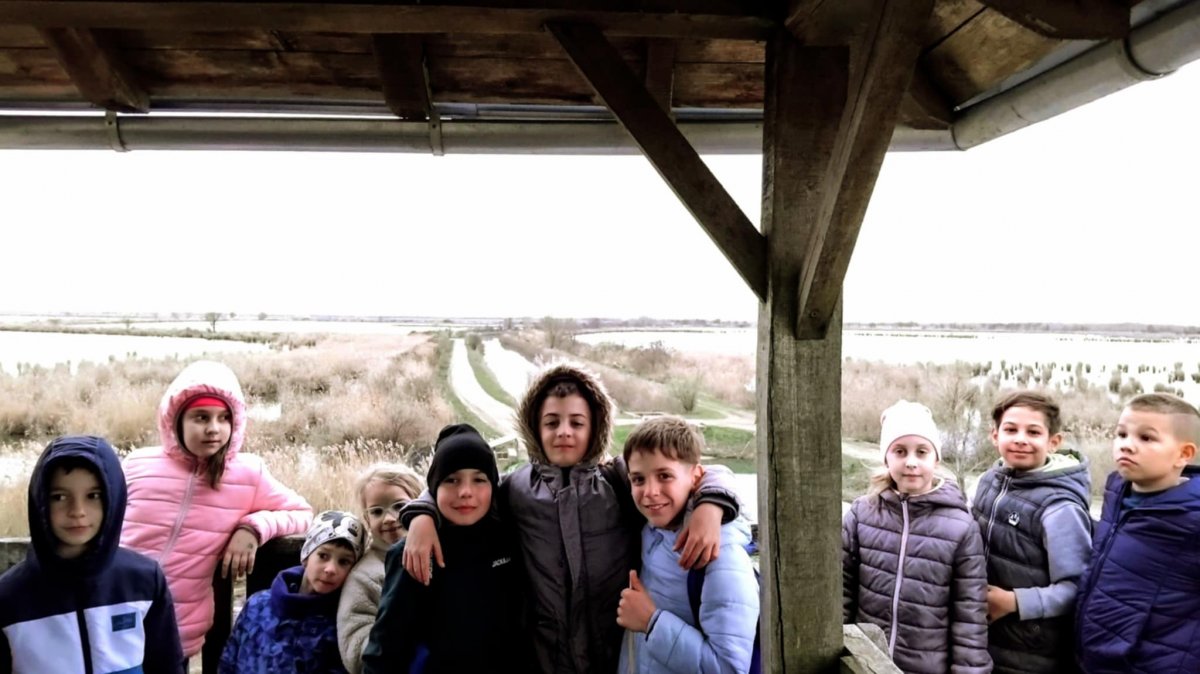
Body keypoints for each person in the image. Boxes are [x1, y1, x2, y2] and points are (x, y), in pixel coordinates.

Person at [400, 362, 742, 673]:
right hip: (543, 659)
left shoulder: (618, 480)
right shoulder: (517, 490)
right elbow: (470, 492)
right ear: (534, 427)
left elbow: (707, 473)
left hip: (614, 655)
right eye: (552, 422)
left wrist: (710, 506)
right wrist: (422, 514)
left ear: (596, 427)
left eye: (577, 422)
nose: (564, 431)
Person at [121, 359, 313, 659]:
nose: (214, 429)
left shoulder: (247, 474)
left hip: (175, 630)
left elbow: (302, 513)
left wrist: (253, 529)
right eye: (201, 417)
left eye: (224, 418)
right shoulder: (137, 465)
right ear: (176, 420)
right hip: (114, 616)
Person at [0, 435, 184, 674]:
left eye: (93, 496)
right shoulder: (9, 597)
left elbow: (167, 666)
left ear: (113, 498)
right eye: (59, 497)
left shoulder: (144, 580)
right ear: (40, 501)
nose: (77, 511)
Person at [363, 424, 528, 673]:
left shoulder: (510, 537)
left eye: (479, 479)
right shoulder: (413, 552)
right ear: (434, 487)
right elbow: (385, 649)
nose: (465, 492)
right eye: (451, 480)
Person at [842, 400, 991, 674]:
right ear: (886, 458)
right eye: (900, 451)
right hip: (863, 662)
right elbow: (842, 591)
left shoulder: (961, 527)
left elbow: (969, 617)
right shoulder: (862, 514)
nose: (911, 462)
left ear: (936, 459)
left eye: (922, 452)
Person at [615, 416, 758, 674]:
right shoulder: (654, 528)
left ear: (696, 477)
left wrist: (651, 622)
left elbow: (730, 667)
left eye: (664, 476)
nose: (650, 492)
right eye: (638, 479)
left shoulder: (721, 555)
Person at [1076, 393, 1200, 673]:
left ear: (1184, 454)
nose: (1127, 445)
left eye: (1146, 438)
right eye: (1121, 434)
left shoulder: (1193, 517)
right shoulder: (1116, 493)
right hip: (1096, 657)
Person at [971, 390, 1092, 673]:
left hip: (1030, 650)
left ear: (1053, 442)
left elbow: (1077, 588)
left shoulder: (1059, 507)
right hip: (980, 636)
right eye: (1011, 429)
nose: (1020, 439)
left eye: (1033, 432)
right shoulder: (989, 481)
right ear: (995, 436)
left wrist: (1014, 602)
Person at [220, 510, 366, 673]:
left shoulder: (341, 625)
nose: (331, 569)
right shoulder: (257, 604)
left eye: (344, 561)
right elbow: (229, 661)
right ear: (306, 555)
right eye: (323, 556)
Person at [337, 463, 424, 674]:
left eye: (399, 506)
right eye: (377, 511)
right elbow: (354, 648)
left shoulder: (440, 554)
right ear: (367, 519)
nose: (389, 519)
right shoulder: (365, 576)